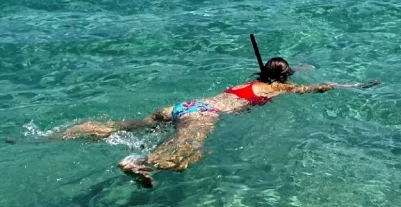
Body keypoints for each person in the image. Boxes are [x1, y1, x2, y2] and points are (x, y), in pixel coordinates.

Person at [56, 57, 379, 187]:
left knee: (130, 125)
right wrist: (332, 86)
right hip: (204, 115)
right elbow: (311, 89)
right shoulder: (280, 88)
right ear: (284, 77)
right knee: (179, 155)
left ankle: (72, 133)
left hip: (184, 105)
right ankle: (137, 163)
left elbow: (270, 80)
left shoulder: (245, 83)